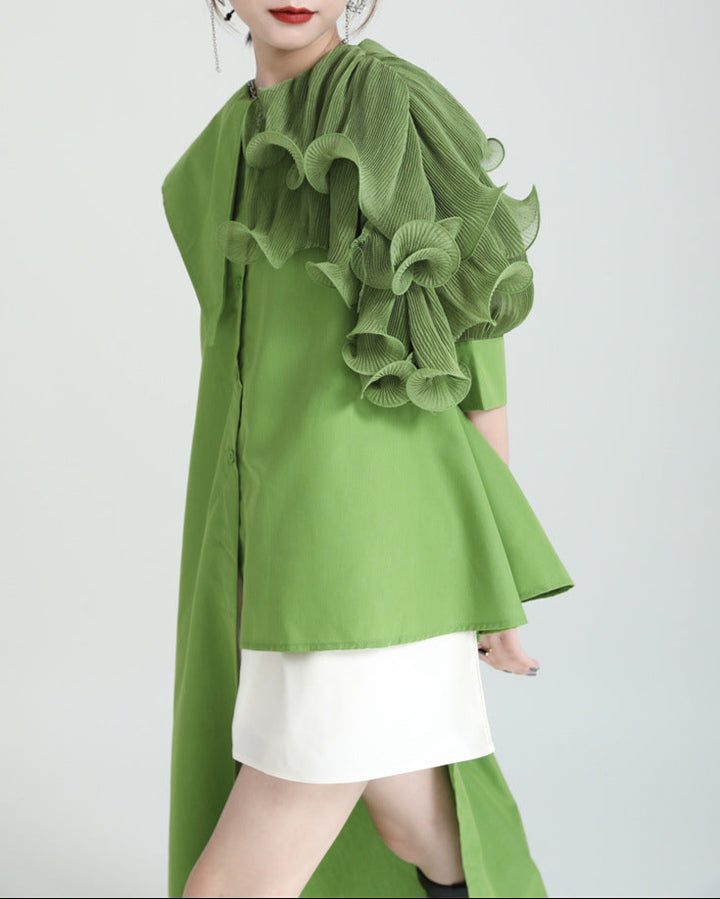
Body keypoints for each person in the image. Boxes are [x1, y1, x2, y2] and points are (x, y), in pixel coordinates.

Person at [160, 2, 575, 896]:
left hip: (372, 555)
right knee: (413, 821)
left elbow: (472, 344)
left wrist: (492, 565)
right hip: (283, 555)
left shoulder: (385, 104)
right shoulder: (223, 149)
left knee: (231, 882)